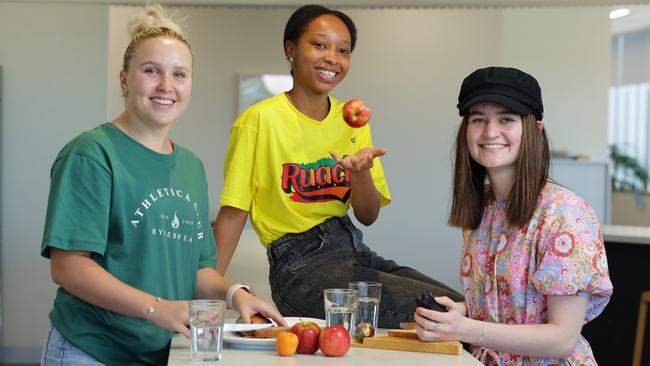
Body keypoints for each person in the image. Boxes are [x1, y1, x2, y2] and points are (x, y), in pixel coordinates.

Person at [40, 6, 284, 365]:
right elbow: (69, 267)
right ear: (124, 79)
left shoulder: (191, 167)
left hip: (160, 353)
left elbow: (198, 269)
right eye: (151, 71)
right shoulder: (91, 154)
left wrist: (235, 294)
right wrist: (157, 309)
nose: (166, 86)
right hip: (91, 351)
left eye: (179, 74)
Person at [213, 4, 462, 329]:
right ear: (291, 49)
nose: (332, 57)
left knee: (459, 308)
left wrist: (359, 174)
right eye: (319, 45)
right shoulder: (259, 121)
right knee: (443, 316)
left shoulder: (353, 121)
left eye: (343, 50)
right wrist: (205, 293)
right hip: (299, 266)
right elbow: (233, 213)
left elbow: (368, 215)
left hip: (353, 249)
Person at [413, 66, 613, 365]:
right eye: (478, 119)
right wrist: (463, 311)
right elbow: (511, 302)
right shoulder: (482, 207)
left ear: (535, 129)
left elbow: (562, 338)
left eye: (506, 119)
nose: (490, 132)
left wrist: (468, 329)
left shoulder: (565, 213)